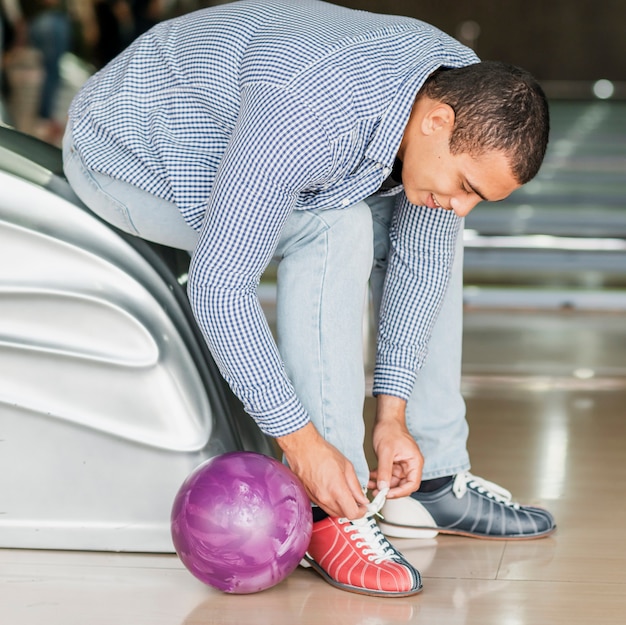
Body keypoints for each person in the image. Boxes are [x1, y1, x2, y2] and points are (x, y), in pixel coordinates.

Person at [62, 0, 555, 597]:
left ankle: (427, 479)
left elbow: (420, 261)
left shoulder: (458, 84)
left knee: (431, 230)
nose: (464, 205)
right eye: (468, 186)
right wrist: (304, 445)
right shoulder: (308, 113)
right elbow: (221, 286)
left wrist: (393, 417)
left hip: (253, 133)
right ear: (437, 122)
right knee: (336, 227)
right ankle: (331, 509)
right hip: (131, 149)